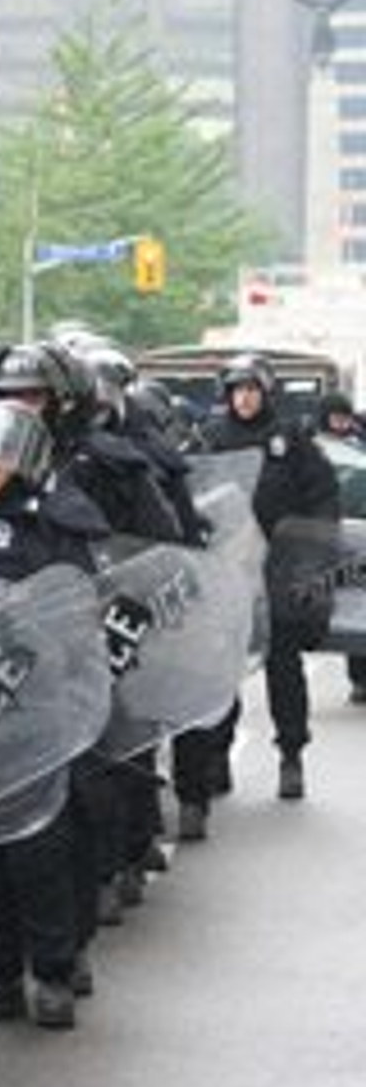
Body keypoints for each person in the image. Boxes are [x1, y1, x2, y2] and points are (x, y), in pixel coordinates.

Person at [0, 398, 110, 1029]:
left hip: (39, 705)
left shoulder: (57, 523)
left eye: (4, 455)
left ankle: (53, 970)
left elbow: (80, 608)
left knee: (40, 847)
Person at [175, 353, 339, 826]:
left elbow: (323, 498)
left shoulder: (293, 441)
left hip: (280, 569)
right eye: (237, 390)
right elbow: (188, 492)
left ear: (266, 393)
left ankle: (291, 755)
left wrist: (309, 553)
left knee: (283, 666)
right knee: (221, 668)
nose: (244, 398)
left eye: (252, 390)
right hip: (230, 568)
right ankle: (215, 757)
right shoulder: (209, 439)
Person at [313, 390, 366, 702]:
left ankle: (361, 677)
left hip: (359, 537)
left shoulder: (358, 449)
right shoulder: (311, 450)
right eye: (336, 418)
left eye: (345, 418)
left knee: (360, 604)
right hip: (324, 537)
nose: (341, 423)